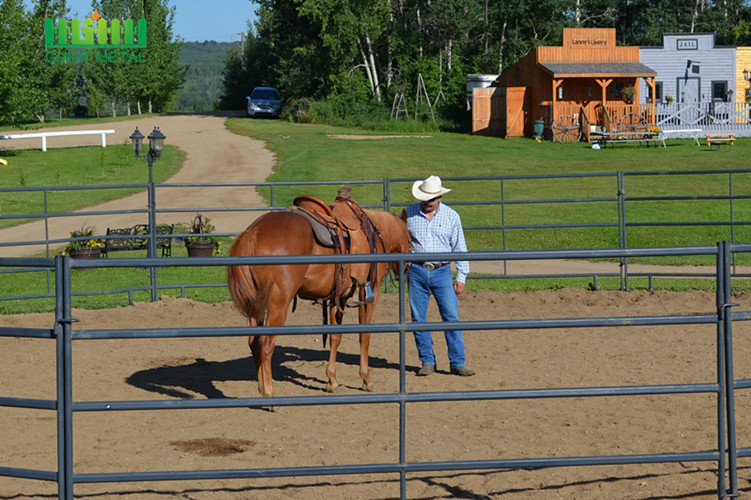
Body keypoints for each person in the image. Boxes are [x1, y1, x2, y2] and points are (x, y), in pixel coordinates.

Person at [405, 175, 474, 377]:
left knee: (451, 316)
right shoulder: (408, 214)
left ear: (439, 198)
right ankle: (427, 361)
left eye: (431, 199)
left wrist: (461, 276)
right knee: (418, 318)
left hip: (442, 271)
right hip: (417, 271)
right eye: (424, 199)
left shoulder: (452, 216)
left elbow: (460, 247)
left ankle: (457, 362)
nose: (427, 202)